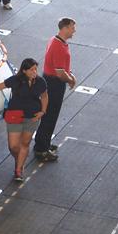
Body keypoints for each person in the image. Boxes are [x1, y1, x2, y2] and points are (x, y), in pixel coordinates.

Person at [0, 58, 48, 183]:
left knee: (25, 143)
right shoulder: (15, 80)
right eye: (31, 69)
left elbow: (44, 96)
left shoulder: (40, 82)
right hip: (15, 116)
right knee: (13, 146)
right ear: (24, 70)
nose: (35, 72)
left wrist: (43, 111)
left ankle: (18, 170)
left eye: (35, 69)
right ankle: (19, 159)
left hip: (32, 117)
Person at [33, 18, 77, 162]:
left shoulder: (56, 40)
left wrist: (69, 74)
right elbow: (59, 72)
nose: (74, 30)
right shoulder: (58, 46)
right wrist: (70, 80)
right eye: (72, 28)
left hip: (50, 81)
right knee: (50, 116)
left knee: (49, 115)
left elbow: (61, 67)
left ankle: (43, 143)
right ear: (65, 28)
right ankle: (41, 150)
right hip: (54, 83)